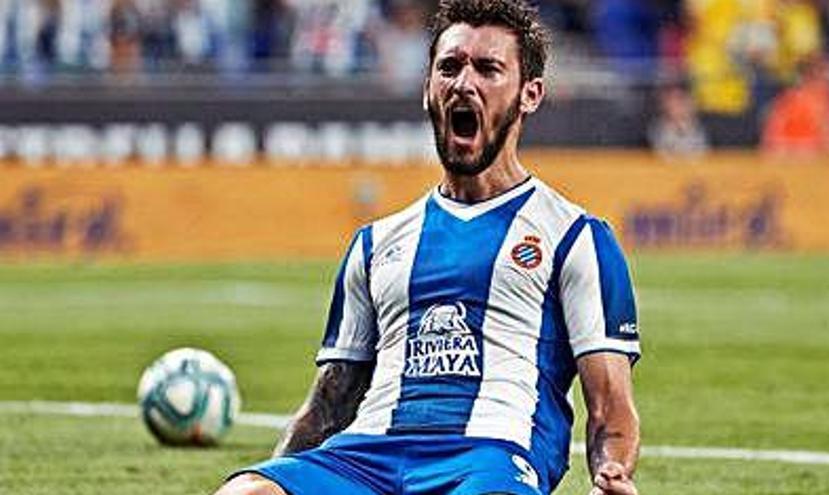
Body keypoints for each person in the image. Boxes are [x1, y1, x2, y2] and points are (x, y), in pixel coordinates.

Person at [214, 1, 641, 494]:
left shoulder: (576, 237)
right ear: (428, 90)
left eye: (488, 69)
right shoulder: (375, 244)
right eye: (450, 66)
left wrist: (611, 474)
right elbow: (328, 405)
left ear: (530, 94)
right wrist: (277, 478)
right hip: (367, 458)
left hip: (489, 458)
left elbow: (610, 405)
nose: (464, 83)